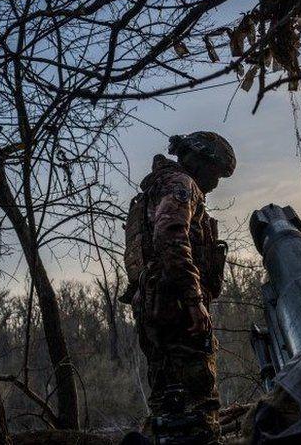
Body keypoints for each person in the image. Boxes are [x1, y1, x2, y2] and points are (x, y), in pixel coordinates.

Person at [120, 131, 235, 444]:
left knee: (169, 405)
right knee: (197, 409)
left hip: (155, 307)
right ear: (200, 162)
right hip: (178, 309)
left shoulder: (156, 189)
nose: (216, 182)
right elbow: (171, 236)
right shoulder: (181, 185)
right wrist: (193, 298)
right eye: (216, 172)